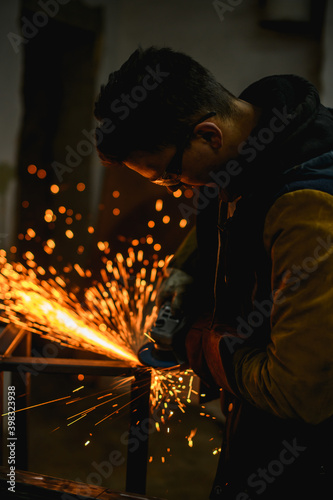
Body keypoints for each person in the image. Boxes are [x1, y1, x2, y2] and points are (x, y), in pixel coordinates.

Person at [94, 46, 333, 499]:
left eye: (171, 178)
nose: (177, 190)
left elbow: (301, 395)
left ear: (208, 135)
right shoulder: (254, 149)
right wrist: (184, 271)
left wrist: (195, 343)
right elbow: (229, 213)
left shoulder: (310, 209)